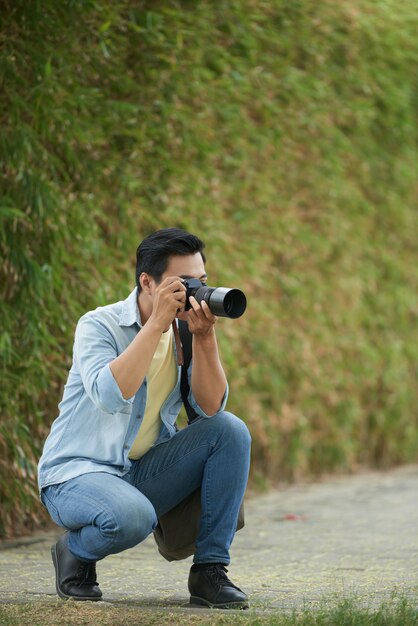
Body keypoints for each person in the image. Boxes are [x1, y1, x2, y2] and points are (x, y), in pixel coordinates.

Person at [37, 227, 251, 609]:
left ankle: (210, 572)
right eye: (183, 283)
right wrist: (155, 325)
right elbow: (108, 394)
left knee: (229, 430)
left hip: (142, 473)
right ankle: (75, 551)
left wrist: (204, 339)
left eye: (200, 282)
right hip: (76, 474)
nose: (193, 292)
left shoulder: (186, 332)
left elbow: (211, 408)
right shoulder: (98, 325)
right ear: (147, 282)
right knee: (132, 516)